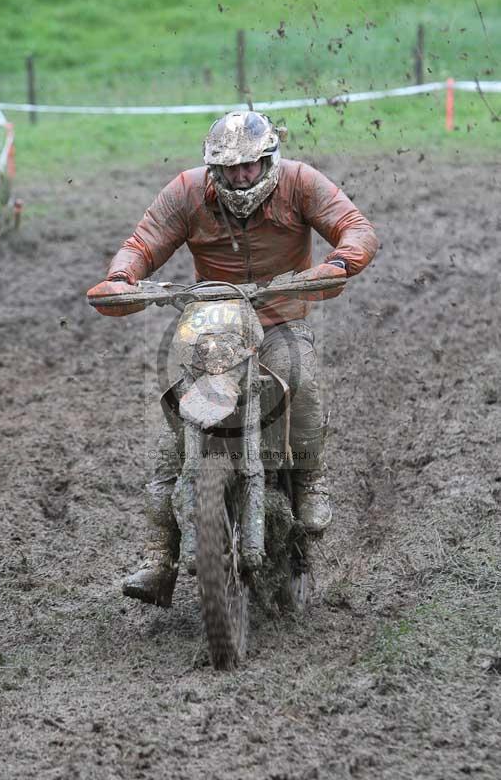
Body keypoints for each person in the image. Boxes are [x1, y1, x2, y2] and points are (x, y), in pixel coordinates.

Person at [89, 111, 378, 606]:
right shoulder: (185, 192)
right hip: (214, 323)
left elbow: (355, 226)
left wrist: (339, 261)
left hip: (282, 314)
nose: (241, 175)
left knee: (300, 377)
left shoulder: (300, 183)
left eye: (251, 165)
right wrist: (122, 277)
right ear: (212, 169)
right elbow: (141, 243)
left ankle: (309, 478)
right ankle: (159, 556)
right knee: (180, 418)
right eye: (230, 168)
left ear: (269, 159)